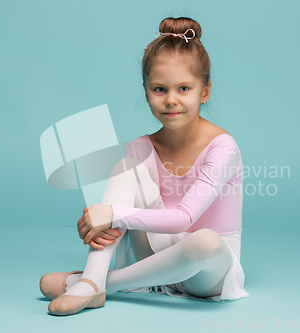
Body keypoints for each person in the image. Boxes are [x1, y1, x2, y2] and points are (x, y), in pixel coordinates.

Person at [39, 17, 249, 316]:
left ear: (205, 91)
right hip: (155, 255)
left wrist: (110, 214)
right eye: (160, 89)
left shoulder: (222, 147)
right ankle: (92, 280)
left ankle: (94, 283)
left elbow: (182, 218)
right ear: (146, 90)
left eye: (184, 88)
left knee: (205, 242)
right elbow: (127, 216)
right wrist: (104, 221)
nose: (171, 100)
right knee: (127, 168)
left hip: (206, 271)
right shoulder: (141, 146)